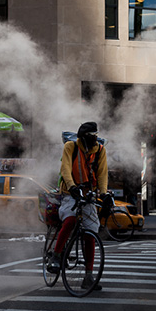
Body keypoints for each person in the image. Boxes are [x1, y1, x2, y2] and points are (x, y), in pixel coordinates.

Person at [48, 122, 109, 291]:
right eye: (90, 137)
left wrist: (103, 193)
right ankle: (56, 255)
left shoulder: (100, 150)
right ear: (82, 138)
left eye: (95, 136)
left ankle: (88, 276)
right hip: (70, 193)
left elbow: (103, 173)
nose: (94, 140)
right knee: (70, 220)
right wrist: (72, 186)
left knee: (91, 233)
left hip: (89, 195)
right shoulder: (71, 146)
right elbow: (65, 168)